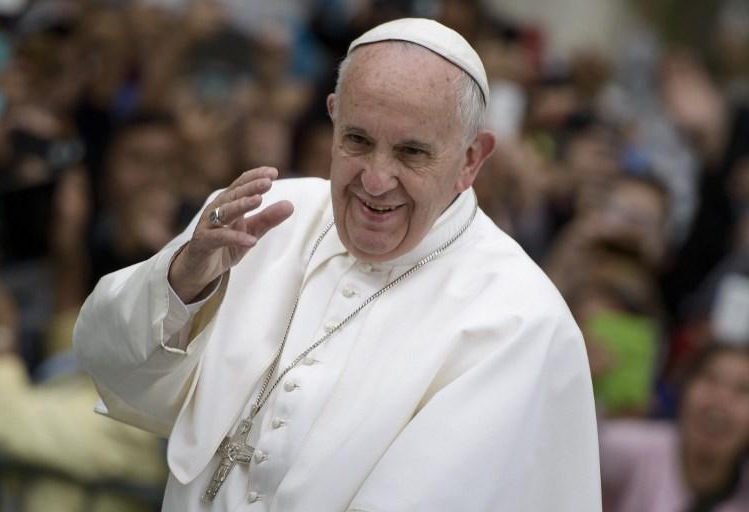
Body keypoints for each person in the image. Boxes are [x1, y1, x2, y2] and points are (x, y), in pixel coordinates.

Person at [74, 18, 600, 511]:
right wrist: (182, 283)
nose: (375, 180)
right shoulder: (260, 216)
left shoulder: (521, 321)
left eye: (411, 153)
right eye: (358, 140)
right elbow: (112, 368)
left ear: (471, 159)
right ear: (333, 117)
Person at [600, 343, 749, 511]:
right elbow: (581, 447)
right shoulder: (636, 449)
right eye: (711, 379)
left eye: (742, 389)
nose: (720, 398)